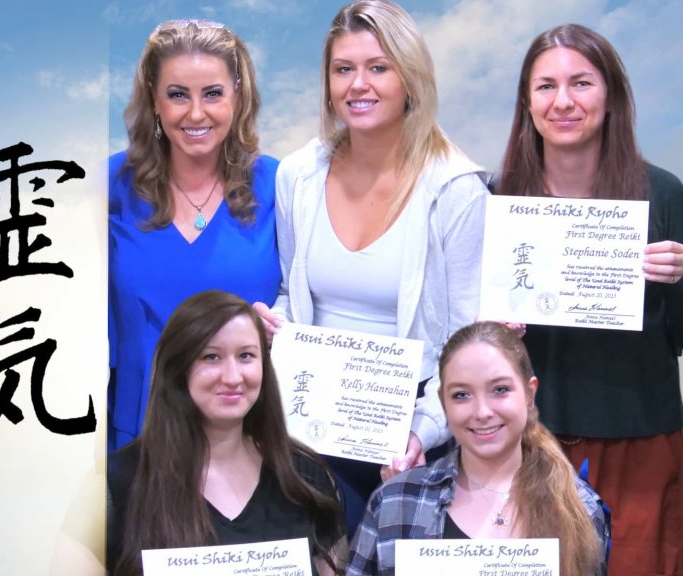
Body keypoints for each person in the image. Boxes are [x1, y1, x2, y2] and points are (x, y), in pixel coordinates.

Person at [254, 0, 488, 536]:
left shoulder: (457, 190)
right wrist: (271, 324)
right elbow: (294, 293)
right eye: (343, 69)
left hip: (414, 432)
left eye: (378, 67)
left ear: (411, 79)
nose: (358, 84)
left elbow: (467, 341)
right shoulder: (298, 175)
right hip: (311, 429)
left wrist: (422, 432)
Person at [494, 23, 683, 576]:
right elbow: (475, 343)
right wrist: (494, 328)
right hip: (528, 443)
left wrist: (679, 279)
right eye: (545, 86)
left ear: (611, 95)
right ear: (527, 102)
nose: (563, 102)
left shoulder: (663, 193)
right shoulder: (499, 198)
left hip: (640, 442)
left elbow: (679, 340)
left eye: (581, 83)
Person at [109, 20, 282, 451]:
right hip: (140, 436)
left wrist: (282, 324)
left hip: (251, 435)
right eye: (178, 95)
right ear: (154, 98)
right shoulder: (107, 184)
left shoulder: (281, 186)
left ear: (238, 95)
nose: (196, 113)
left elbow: (311, 300)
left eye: (213, 93)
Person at [107, 290, 346, 576]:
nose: (233, 377)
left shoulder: (305, 475)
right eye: (211, 357)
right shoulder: (120, 479)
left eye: (246, 356)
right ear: (178, 369)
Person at [347, 321, 609, 576]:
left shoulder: (579, 507)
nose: (482, 412)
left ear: (530, 394)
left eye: (500, 390)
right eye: (461, 395)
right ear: (443, 403)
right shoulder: (397, 499)